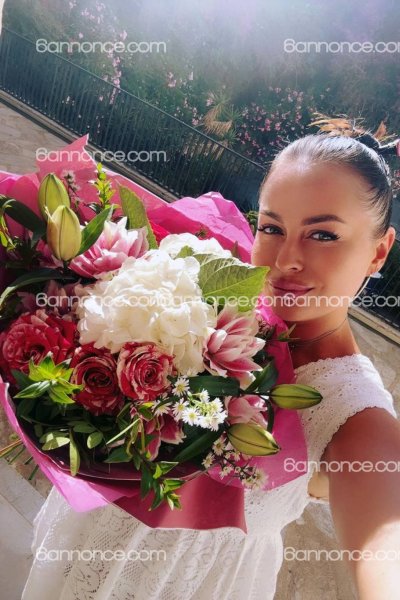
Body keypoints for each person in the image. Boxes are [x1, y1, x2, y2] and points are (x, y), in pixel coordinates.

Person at [22, 124, 400, 600]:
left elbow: (385, 544)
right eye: (272, 228)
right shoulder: (206, 294)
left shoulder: (356, 414)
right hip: (77, 555)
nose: (286, 259)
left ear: (378, 252)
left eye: (323, 234)